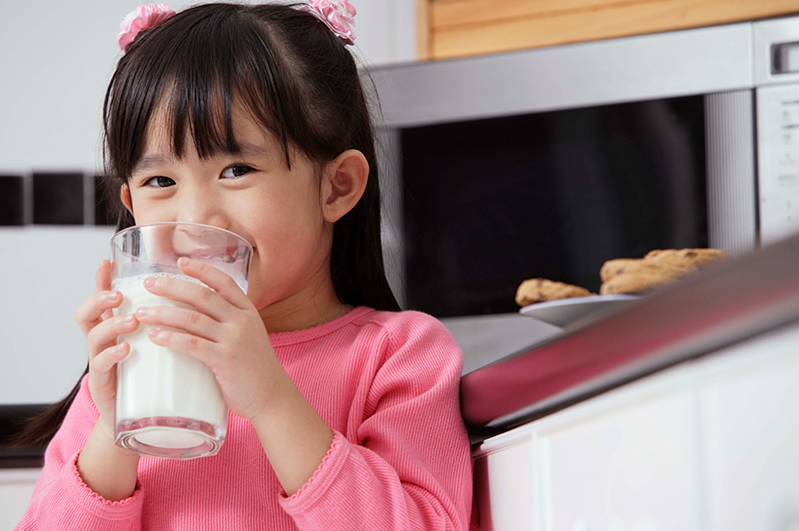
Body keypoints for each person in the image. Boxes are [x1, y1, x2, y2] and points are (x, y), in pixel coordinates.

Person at [14, 2, 474, 529]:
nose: (195, 219)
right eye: (160, 182)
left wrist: (272, 399)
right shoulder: (126, 372)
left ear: (336, 187)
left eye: (236, 170)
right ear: (131, 204)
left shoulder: (397, 357)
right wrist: (114, 431)